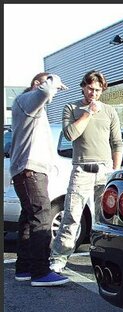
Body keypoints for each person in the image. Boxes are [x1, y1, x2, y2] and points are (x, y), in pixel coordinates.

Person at [50, 70, 123, 272]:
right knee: (72, 216)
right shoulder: (71, 108)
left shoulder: (109, 111)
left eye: (98, 90)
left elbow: (117, 143)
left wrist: (114, 171)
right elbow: (71, 134)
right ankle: (58, 258)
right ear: (83, 86)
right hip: (81, 169)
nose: (94, 93)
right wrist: (88, 112)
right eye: (90, 88)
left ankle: (103, 257)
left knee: (106, 218)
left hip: (104, 170)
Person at [9, 72, 70, 287]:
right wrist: (53, 79)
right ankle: (40, 272)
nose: (51, 95)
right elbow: (44, 91)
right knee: (41, 218)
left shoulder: (27, 106)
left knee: (28, 219)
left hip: (28, 171)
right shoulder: (27, 99)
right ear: (37, 84)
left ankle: (24, 268)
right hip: (30, 171)